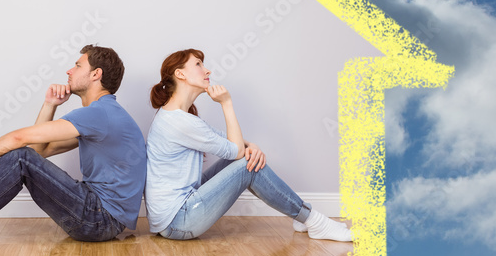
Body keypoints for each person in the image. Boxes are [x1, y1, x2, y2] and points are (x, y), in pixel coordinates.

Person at [0, 44, 146, 245]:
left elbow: (20, 141)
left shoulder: (99, 113)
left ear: (96, 74)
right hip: (103, 218)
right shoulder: (106, 115)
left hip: (99, 219)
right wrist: (50, 104)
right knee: (22, 158)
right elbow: (39, 151)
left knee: (20, 157)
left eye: (77, 65)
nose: (69, 71)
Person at [144, 49, 354, 242]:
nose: (207, 70)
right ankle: (314, 220)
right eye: (198, 64)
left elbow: (228, 143)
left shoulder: (177, 116)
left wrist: (250, 146)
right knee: (247, 165)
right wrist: (226, 103)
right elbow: (235, 150)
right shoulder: (180, 122)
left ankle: (303, 218)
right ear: (180, 74)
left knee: (245, 158)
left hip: (175, 214)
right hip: (179, 221)